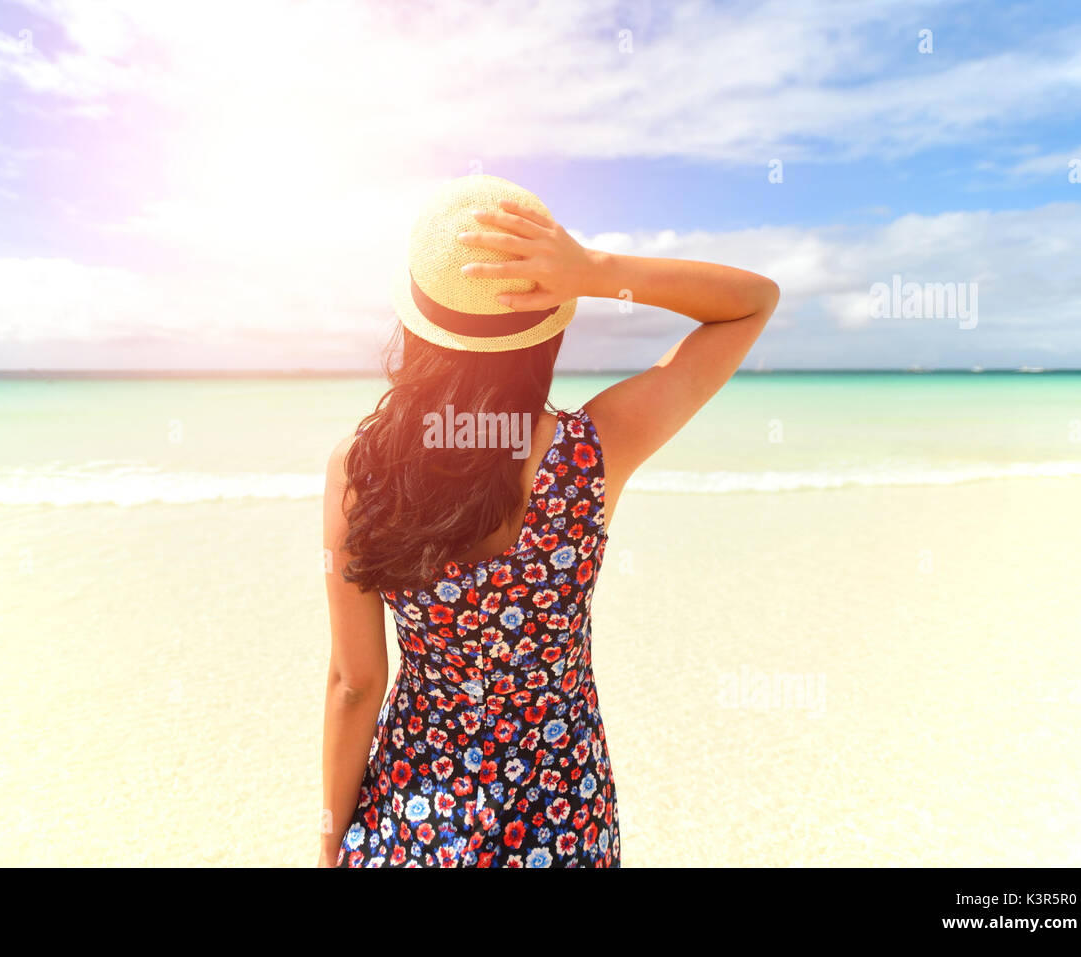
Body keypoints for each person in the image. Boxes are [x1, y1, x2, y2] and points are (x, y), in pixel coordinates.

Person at [320, 175, 779, 867]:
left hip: (415, 819)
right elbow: (751, 303)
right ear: (546, 328)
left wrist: (330, 844)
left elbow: (355, 684)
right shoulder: (592, 450)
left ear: (418, 326)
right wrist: (594, 270)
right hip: (564, 818)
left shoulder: (362, 468)